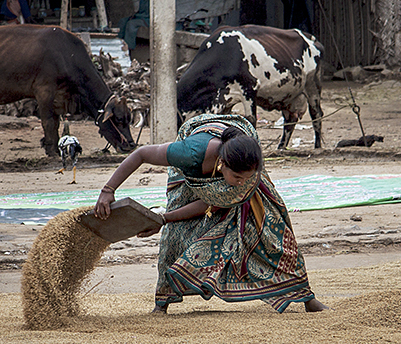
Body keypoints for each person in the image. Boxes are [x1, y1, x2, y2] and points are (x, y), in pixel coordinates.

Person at [94, 113, 328, 314]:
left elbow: (218, 202)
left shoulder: (249, 165)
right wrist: (108, 191)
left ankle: (305, 296)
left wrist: (242, 182)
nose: (240, 184)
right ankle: (162, 303)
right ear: (222, 164)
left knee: (273, 228)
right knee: (175, 234)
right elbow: (142, 154)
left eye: (245, 179)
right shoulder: (188, 153)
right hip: (195, 165)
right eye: (236, 178)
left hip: (239, 153)